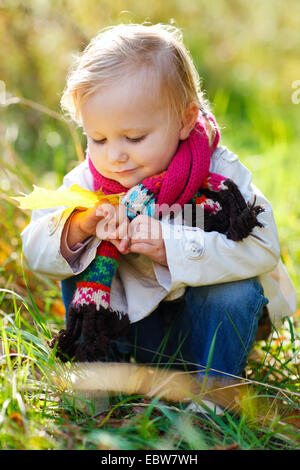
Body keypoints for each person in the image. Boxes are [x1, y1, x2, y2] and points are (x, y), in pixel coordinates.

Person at [21, 23, 296, 383]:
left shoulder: (219, 177)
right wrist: (79, 227)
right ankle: (99, 379)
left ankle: (213, 394)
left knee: (235, 290)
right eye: (98, 138)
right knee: (80, 258)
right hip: (128, 333)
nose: (115, 156)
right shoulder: (89, 183)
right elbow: (35, 250)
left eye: (134, 137)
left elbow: (263, 247)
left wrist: (172, 247)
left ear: (184, 120)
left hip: (202, 336)